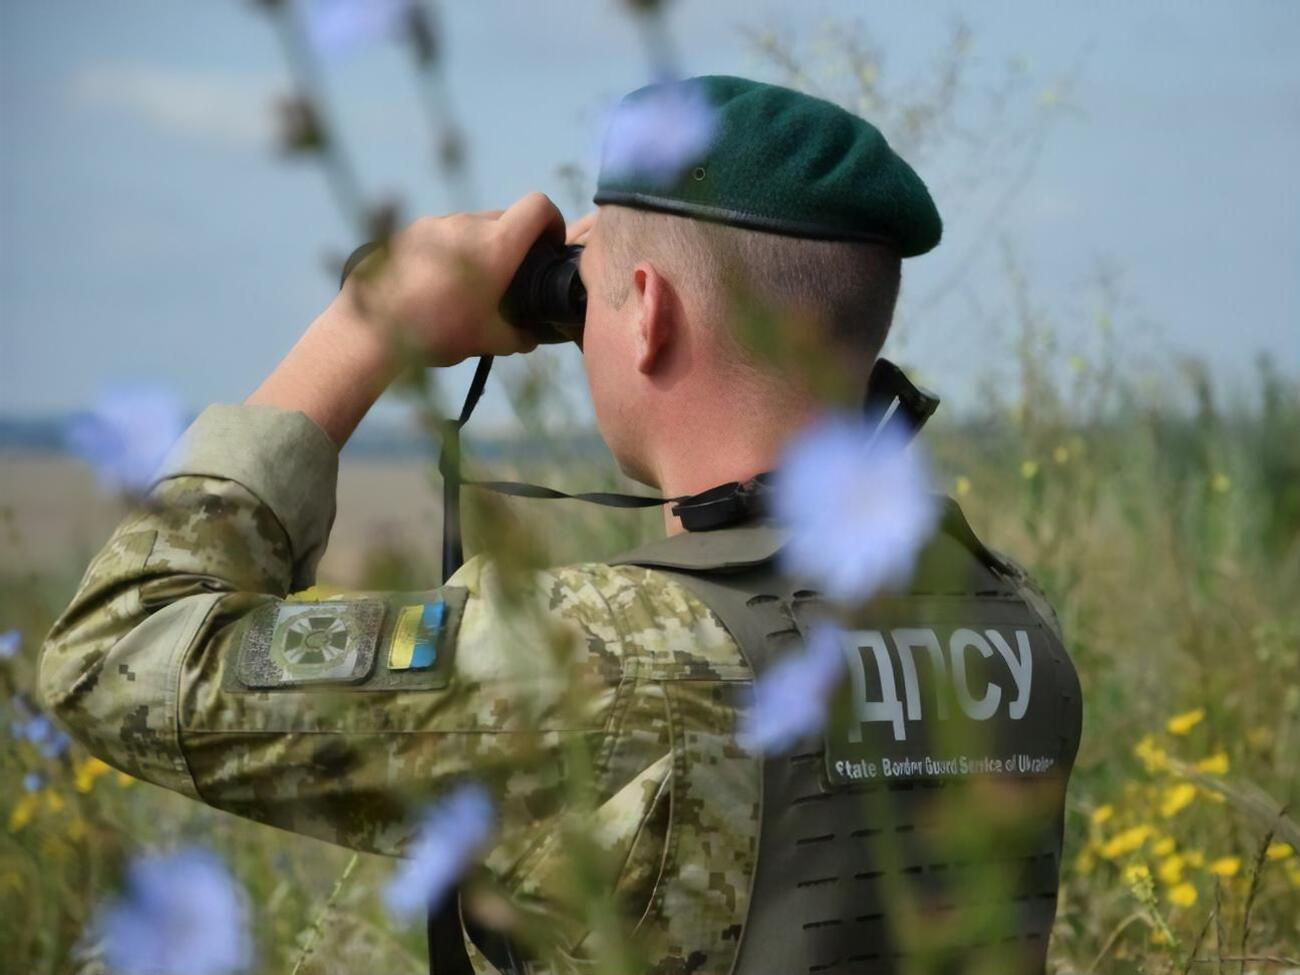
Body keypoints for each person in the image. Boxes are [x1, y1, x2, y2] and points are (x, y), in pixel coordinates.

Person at [40, 76, 1081, 974]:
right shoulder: (1011, 620)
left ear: (648, 308)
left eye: (593, 295)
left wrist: (365, 325)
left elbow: (117, 651)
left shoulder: (596, 660)